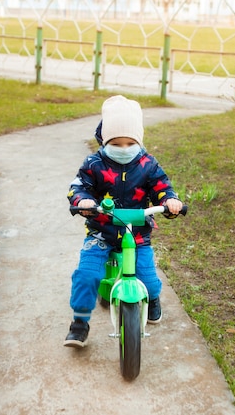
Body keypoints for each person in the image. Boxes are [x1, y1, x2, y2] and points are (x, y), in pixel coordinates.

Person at [64, 95, 183, 348]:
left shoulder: (148, 164)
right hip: (101, 232)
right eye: (116, 143)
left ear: (139, 140)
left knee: (149, 281)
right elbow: (79, 187)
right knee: (86, 275)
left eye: (130, 142)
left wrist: (170, 201)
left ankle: (152, 299)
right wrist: (83, 201)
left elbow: (162, 187)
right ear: (106, 140)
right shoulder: (94, 164)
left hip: (137, 235)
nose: (124, 147)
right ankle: (79, 322)